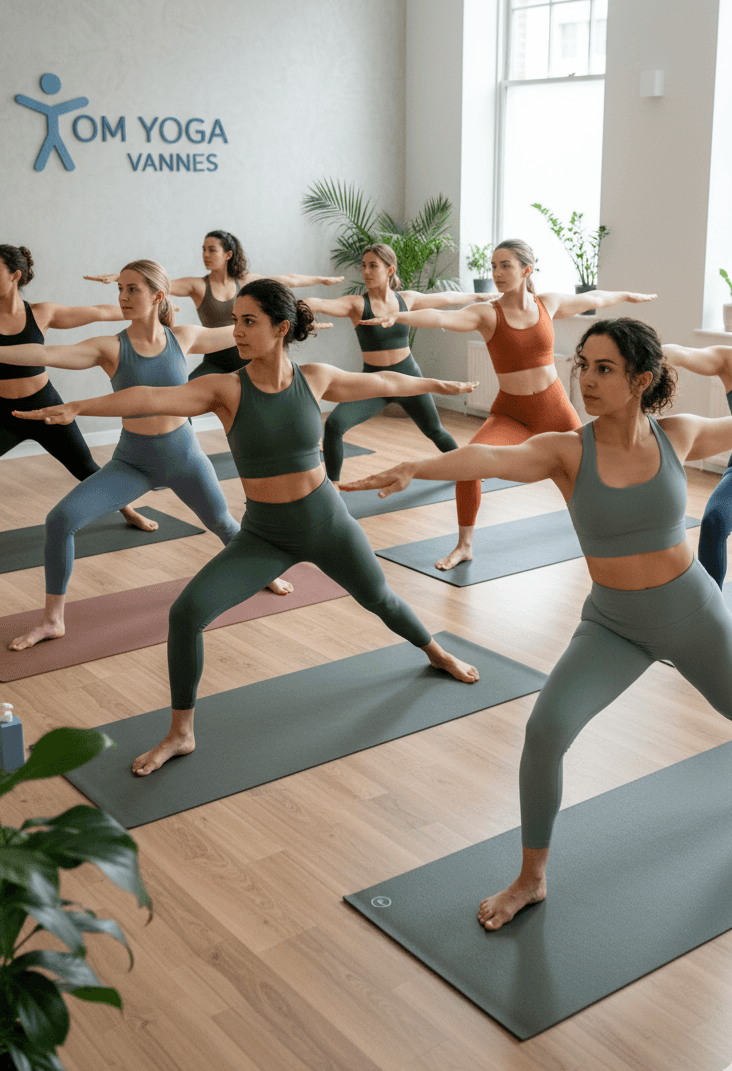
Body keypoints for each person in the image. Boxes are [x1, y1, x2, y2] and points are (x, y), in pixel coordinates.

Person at [340, 317, 732, 930]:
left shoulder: (678, 436)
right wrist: (417, 468)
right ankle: (531, 878)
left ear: (640, 380)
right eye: (583, 366)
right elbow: (491, 454)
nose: (586, 380)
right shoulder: (567, 450)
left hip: (691, 613)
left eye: (604, 369)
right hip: (613, 626)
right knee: (545, 732)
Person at [15, 279, 481, 775]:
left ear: (281, 329)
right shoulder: (225, 389)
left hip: (327, 523)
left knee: (380, 599)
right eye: (234, 320)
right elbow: (149, 396)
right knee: (186, 614)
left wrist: (436, 385)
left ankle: (435, 652)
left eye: (248, 321)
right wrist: (80, 407)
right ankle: (181, 732)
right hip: (265, 535)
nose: (235, 330)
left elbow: (387, 383)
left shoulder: (316, 378)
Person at [3, 258, 285, 655]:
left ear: (158, 296)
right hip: (132, 463)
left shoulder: (183, 337)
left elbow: (238, 332)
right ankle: (53, 619)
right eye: (119, 289)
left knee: (223, 523)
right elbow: (45, 355)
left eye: (132, 289)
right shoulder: (109, 347)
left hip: (183, 457)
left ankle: (262, 571)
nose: (122, 297)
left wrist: (283, 319)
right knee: (60, 520)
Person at [357, 238, 655, 569]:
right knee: (469, 466)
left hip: (554, 408)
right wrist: (398, 317)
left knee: (590, 467)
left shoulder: (548, 304)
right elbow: (444, 319)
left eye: (505, 266)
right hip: (511, 413)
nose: (497, 273)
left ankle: (617, 533)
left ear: (526, 269)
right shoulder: (488, 314)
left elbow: (594, 297)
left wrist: (627, 296)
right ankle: (464, 545)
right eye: (494, 266)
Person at [0, 242, 155, 531]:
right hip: (3, 413)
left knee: (86, 467)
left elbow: (99, 312)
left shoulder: (41, 313)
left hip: (45, 406)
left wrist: (153, 307)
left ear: (15, 276)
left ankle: (130, 512)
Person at [304, 243, 486, 483]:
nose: (366, 272)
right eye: (363, 266)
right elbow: (318, 303)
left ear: (390, 270)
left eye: (373, 266)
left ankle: (467, 472)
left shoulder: (406, 299)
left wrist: (483, 296)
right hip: (373, 382)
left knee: (435, 430)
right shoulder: (357, 304)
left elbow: (446, 298)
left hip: (408, 376)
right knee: (335, 425)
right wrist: (297, 308)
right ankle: (332, 487)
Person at [86, 229, 343, 377]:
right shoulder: (198, 286)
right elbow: (155, 286)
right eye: (203, 249)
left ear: (228, 254)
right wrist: (122, 278)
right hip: (216, 363)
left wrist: (322, 278)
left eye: (212, 250)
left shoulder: (247, 281)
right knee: (179, 400)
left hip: (251, 359)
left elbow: (288, 279)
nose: (205, 255)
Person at [663, 275, 732, 587]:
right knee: (715, 520)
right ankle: (710, 611)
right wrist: (652, 351)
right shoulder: (731, 359)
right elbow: (684, 354)